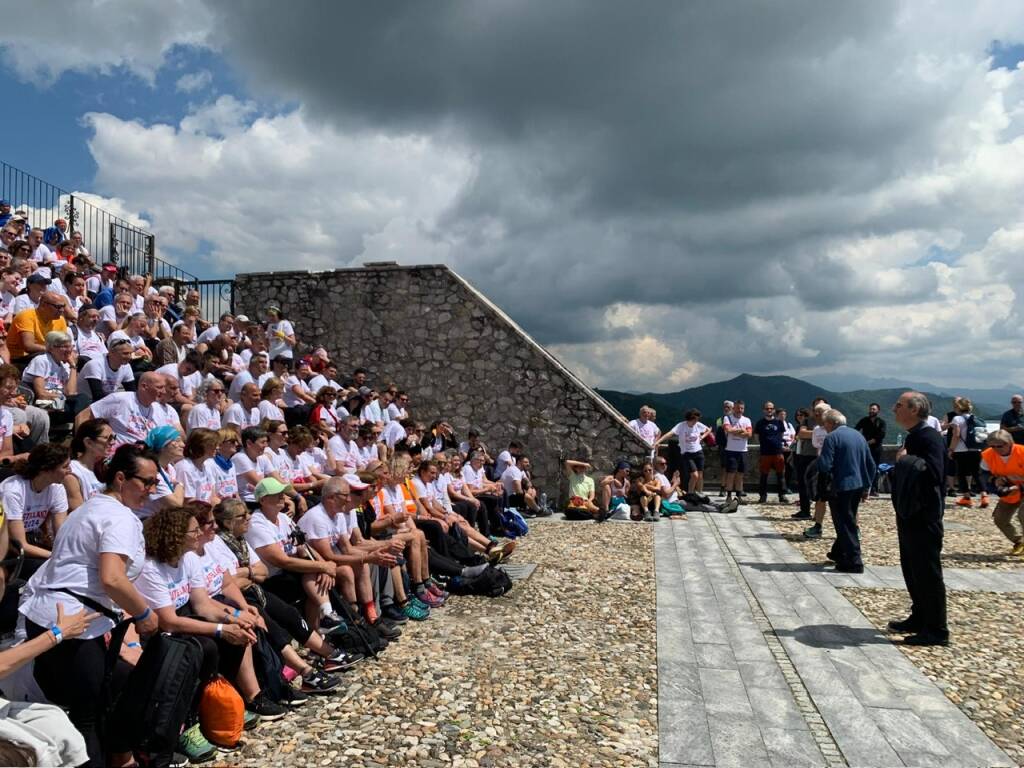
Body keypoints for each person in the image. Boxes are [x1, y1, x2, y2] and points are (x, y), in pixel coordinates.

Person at [18, 444, 162, 766]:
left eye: (156, 483)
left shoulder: (87, 509)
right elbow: (112, 578)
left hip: (50, 614)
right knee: (86, 714)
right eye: (146, 482)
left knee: (85, 707)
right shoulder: (119, 518)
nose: (152, 491)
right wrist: (144, 614)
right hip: (71, 623)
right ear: (121, 478)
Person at [889, 391, 949, 646]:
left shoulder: (929, 437)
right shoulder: (916, 436)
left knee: (927, 571)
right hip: (910, 513)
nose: (894, 409)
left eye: (899, 405)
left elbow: (934, 473)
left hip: (924, 515)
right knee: (911, 568)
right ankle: (920, 615)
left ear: (914, 410)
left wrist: (904, 460)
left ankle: (936, 629)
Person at [816, 410, 875, 573]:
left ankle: (854, 561)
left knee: (844, 523)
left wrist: (817, 464)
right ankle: (838, 553)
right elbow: (871, 464)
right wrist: (866, 487)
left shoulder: (832, 437)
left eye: (825, 424)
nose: (824, 427)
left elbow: (825, 465)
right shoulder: (859, 436)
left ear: (831, 423)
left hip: (841, 486)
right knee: (848, 518)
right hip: (858, 485)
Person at [1, 443, 70, 570]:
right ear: (46, 470)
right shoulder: (13, 491)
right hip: (8, 547)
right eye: (65, 467)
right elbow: (20, 545)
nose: (70, 471)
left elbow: (61, 533)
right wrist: (56, 557)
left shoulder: (57, 488)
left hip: (31, 541)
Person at [75, 371, 174, 447]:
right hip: (119, 459)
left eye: (164, 387)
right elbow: (83, 416)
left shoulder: (158, 409)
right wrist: (80, 448)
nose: (164, 391)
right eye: (159, 387)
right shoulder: (120, 400)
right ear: (144, 387)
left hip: (147, 457)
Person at [979, 430, 1024, 556]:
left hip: (1017, 488)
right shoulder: (988, 455)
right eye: (992, 446)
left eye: (1000, 445)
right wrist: (994, 481)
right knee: (1000, 519)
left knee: (1023, 515)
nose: (996, 449)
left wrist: (1017, 487)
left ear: (1010, 443)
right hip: (1009, 491)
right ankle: (1019, 542)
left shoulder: (1022, 452)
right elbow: (984, 474)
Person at [654, 409, 710, 494]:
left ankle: (699, 493)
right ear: (691, 418)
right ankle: (691, 493)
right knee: (694, 475)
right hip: (687, 453)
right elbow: (670, 433)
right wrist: (658, 442)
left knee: (700, 475)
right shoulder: (681, 426)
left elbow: (708, 430)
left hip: (698, 452)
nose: (696, 421)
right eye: (695, 419)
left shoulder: (698, 425)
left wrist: (702, 437)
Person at [63, 418, 112, 511]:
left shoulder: (105, 469)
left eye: (113, 438)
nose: (112, 442)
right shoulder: (72, 473)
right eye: (107, 438)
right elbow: (79, 513)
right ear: (88, 442)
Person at [7, 290, 69, 364]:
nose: (62, 310)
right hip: (20, 359)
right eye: (58, 307)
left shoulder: (60, 320)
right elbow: (28, 346)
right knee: (45, 358)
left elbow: (64, 344)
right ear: (43, 304)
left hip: (46, 354)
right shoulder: (26, 316)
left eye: (63, 306)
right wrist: (55, 350)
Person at [948, 396, 987, 508]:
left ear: (959, 407)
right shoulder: (976, 418)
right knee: (976, 473)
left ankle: (966, 498)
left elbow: (956, 435)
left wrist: (951, 449)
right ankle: (984, 496)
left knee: (961, 473)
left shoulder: (957, 419)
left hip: (961, 450)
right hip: (976, 449)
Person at [752, 401, 789, 504]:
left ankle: (782, 495)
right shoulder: (760, 423)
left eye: (771, 408)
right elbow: (756, 437)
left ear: (774, 410)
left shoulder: (779, 422)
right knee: (764, 475)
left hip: (778, 452)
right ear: (763, 410)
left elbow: (781, 434)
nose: (769, 410)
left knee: (780, 474)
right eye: (767, 408)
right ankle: (763, 496)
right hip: (765, 453)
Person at [80, 336, 135, 401]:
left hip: (105, 402)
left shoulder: (126, 366)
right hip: (85, 402)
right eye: (125, 353)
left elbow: (132, 392)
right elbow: (97, 396)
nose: (129, 357)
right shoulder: (95, 364)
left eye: (130, 353)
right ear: (111, 353)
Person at [722, 400, 752, 502]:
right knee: (731, 474)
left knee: (740, 474)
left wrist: (735, 431)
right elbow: (728, 430)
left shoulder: (747, 420)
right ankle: (729, 496)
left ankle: (738, 495)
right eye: (738, 408)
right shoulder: (727, 418)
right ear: (734, 408)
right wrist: (742, 431)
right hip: (731, 450)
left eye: (742, 408)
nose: (740, 410)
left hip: (743, 450)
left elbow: (749, 434)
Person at [854, 403, 887, 496]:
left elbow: (882, 434)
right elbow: (856, 429)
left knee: (875, 468)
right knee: (863, 467)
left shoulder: (881, 422)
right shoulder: (864, 420)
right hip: (864, 447)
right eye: (870, 409)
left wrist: (872, 441)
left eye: (873, 409)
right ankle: (862, 488)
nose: (871, 411)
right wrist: (860, 440)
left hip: (876, 448)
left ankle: (874, 489)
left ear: (878, 411)